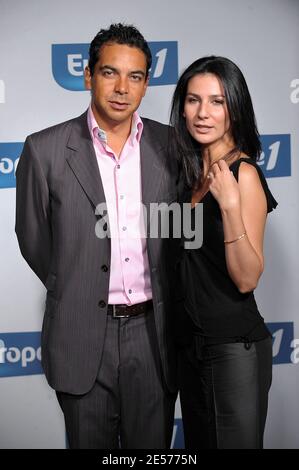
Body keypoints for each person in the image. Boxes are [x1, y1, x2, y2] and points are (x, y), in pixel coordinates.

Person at [15, 23, 178, 449]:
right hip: (81, 337)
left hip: (155, 337)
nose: (122, 88)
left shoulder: (173, 146)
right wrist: (77, 281)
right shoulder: (44, 149)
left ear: (146, 85)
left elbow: (183, 237)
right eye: (110, 73)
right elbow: (33, 239)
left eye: (135, 77)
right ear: (88, 76)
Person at [170, 56, 277, 449]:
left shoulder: (243, 173)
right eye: (193, 100)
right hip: (190, 350)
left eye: (217, 101)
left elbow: (248, 277)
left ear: (235, 106)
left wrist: (230, 207)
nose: (203, 113)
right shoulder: (188, 178)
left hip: (233, 350)